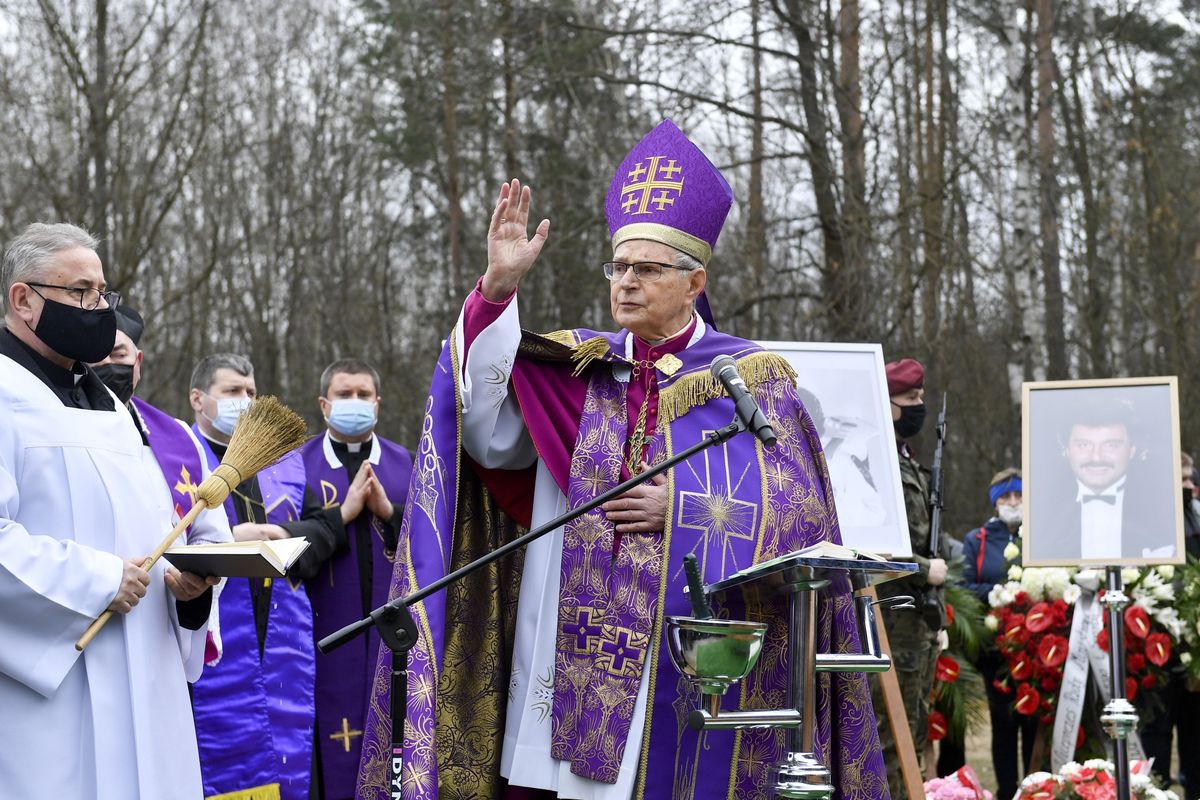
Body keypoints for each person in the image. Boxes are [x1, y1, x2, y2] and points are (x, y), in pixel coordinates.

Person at [356, 120, 887, 799]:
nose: (627, 282)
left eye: (647, 269)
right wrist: (496, 290)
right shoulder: (576, 368)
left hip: (689, 672)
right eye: (619, 266)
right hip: (563, 661)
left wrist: (687, 510)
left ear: (695, 281)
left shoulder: (751, 378)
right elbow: (484, 434)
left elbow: (803, 516)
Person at [0, 222, 216, 797]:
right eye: (81, 293)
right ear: (24, 299)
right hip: (51, 697)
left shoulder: (116, 410)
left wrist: (186, 594)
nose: (99, 309)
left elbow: (149, 529)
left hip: (149, 679)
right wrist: (97, 579)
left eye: (103, 293)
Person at [187, 353, 341, 800]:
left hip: (280, 641)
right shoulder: (180, 457)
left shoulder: (283, 464)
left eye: (251, 393)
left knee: (285, 753)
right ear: (198, 399)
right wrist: (227, 538)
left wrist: (283, 532)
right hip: (214, 636)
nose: (246, 402)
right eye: (232, 391)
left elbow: (327, 528)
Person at [298, 358, 412, 800]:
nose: (355, 403)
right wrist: (339, 516)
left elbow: (432, 546)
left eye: (364, 395)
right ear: (324, 405)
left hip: (394, 636)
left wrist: (389, 514)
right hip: (321, 634)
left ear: (379, 403)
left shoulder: (408, 464)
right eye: (345, 395)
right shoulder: (295, 467)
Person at [870, 357, 948, 800]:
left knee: (914, 729)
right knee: (889, 734)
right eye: (910, 399)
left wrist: (941, 619)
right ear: (889, 406)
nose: (919, 406)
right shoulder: (875, 465)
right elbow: (869, 541)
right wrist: (923, 570)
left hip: (918, 622)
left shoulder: (908, 463)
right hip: (891, 617)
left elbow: (931, 540)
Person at [960, 468, 1037, 800]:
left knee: (1033, 722)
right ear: (995, 502)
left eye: (1018, 495)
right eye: (1006, 496)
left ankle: (1036, 788)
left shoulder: (1040, 536)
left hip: (1037, 648)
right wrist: (1001, 592)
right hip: (995, 650)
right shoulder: (976, 540)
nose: (1013, 502)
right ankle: (1007, 791)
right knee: (1004, 723)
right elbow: (964, 587)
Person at [1034, 395, 1177, 561]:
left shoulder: (1163, 509)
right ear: (1067, 450)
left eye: (1111, 445)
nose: (1096, 457)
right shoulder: (1043, 513)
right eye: (1083, 445)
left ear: (1132, 450)